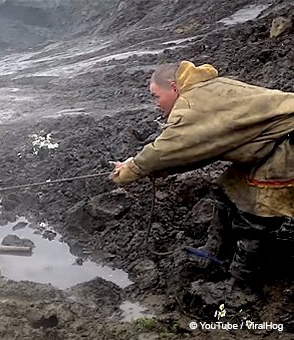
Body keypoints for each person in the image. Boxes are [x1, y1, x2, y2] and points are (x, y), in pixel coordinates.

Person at [110, 60, 294, 290]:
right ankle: (214, 255)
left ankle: (240, 285)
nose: (156, 104)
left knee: (255, 215)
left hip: (286, 144)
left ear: (174, 87)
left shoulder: (191, 104)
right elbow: (199, 152)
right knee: (226, 191)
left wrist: (131, 169)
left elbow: (166, 149)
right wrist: (149, 167)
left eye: (156, 96)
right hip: (267, 146)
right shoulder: (205, 90)